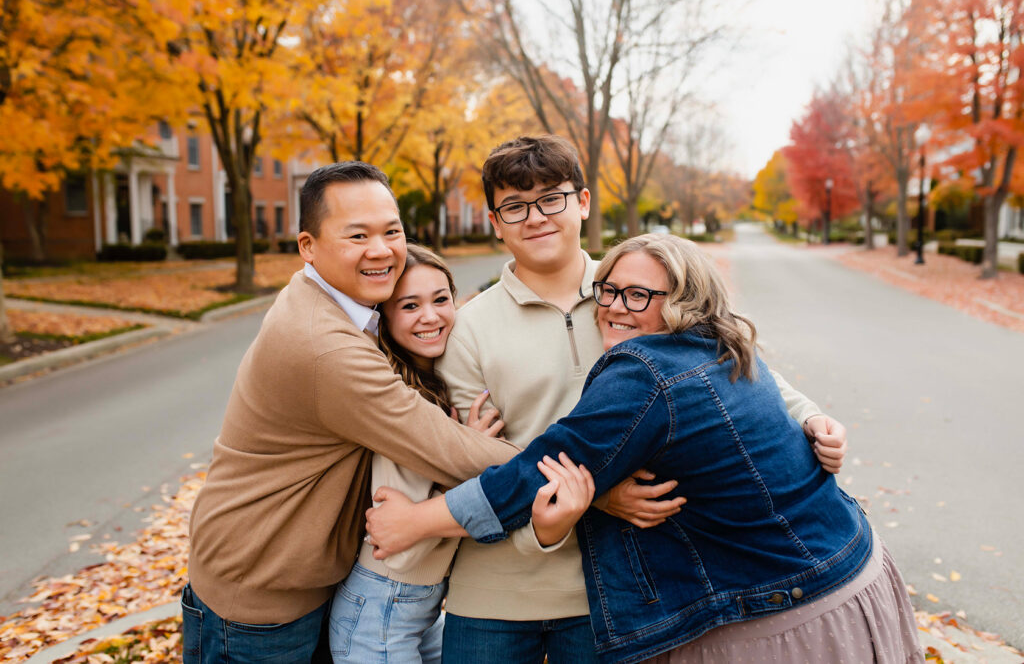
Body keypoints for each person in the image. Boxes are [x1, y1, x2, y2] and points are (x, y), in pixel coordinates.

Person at [367, 234, 924, 664]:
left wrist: (415, 522)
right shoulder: (721, 345)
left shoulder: (647, 374)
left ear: (685, 301)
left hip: (795, 613)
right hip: (851, 573)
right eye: (608, 291)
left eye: (638, 295)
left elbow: (540, 471)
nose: (614, 307)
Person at [424, 135, 849, 663]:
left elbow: (722, 360)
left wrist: (810, 416)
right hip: (497, 590)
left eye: (550, 199)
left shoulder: (633, 289)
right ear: (495, 221)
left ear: (582, 202)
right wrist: (597, 491)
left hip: (614, 587)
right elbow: (469, 452)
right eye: (514, 206)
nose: (535, 217)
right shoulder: (467, 327)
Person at [181, 162, 519, 664]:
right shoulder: (325, 346)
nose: (381, 249)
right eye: (357, 235)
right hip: (257, 604)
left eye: (392, 231)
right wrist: (582, 476)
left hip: (302, 583)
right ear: (308, 247)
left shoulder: (336, 303)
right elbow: (446, 451)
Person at [328, 244, 502, 663]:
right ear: (385, 319)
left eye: (441, 299)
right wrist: (473, 452)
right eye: (410, 305)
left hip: (417, 611)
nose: (431, 316)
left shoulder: (435, 381)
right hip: (379, 610)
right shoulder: (398, 404)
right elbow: (401, 539)